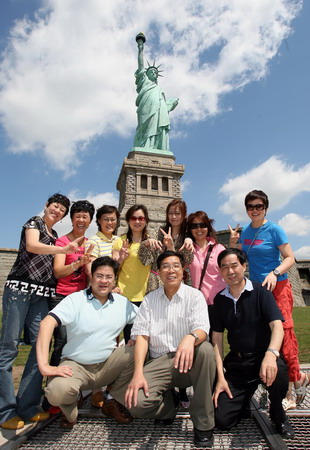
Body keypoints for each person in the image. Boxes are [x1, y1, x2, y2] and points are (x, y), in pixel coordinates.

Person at [109, 251, 216, 448]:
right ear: (158, 272)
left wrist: (189, 338)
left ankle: (203, 424)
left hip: (189, 361)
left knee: (207, 350)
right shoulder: (150, 300)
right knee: (134, 403)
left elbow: (202, 329)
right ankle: (168, 406)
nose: (171, 270)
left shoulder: (195, 296)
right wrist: (138, 373)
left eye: (176, 265)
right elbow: (141, 336)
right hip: (160, 361)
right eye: (165, 266)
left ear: (183, 271)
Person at [0, 193, 81, 430]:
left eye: (62, 210)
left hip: (41, 296)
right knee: (8, 349)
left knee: (40, 349)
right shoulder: (34, 223)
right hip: (19, 290)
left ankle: (29, 407)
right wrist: (64, 250)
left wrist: (75, 262)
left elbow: (57, 267)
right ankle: (5, 412)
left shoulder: (55, 236)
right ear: (46, 206)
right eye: (55, 206)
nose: (58, 211)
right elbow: (33, 246)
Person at [229, 190, 309, 410]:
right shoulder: (245, 231)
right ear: (246, 209)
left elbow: (290, 257)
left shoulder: (274, 229)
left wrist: (274, 272)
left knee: (285, 335)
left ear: (265, 208)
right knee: (263, 337)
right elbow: (241, 258)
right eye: (251, 206)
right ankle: (274, 384)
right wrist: (234, 243)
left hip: (278, 287)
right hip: (257, 290)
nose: (255, 210)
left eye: (259, 206)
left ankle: (293, 388)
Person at [36, 257, 138, 429]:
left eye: (108, 277)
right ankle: (72, 405)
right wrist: (45, 366)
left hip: (107, 366)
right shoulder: (75, 300)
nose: (104, 281)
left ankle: (113, 401)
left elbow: (146, 320)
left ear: (115, 279)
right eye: (99, 276)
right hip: (76, 366)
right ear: (91, 277)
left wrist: (136, 336)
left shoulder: (122, 303)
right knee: (55, 393)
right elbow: (46, 323)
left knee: (140, 349)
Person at [212, 248, 294, 438]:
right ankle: (244, 401)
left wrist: (271, 354)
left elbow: (277, 326)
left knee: (280, 371)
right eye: (225, 267)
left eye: (235, 266)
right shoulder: (220, 300)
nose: (230, 271)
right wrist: (220, 377)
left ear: (244, 266)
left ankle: (278, 415)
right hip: (238, 363)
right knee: (222, 421)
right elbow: (216, 338)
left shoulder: (261, 292)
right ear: (220, 271)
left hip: (263, 358)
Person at [50, 200, 95, 367]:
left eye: (85, 217)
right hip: (62, 297)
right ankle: (52, 385)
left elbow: (92, 274)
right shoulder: (62, 242)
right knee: (61, 342)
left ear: (90, 221)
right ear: (71, 219)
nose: (81, 220)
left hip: (81, 299)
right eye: (78, 216)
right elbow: (58, 271)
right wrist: (77, 264)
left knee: (78, 343)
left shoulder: (91, 243)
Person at [112, 204, 151, 343]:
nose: (137, 221)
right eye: (134, 218)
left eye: (141, 218)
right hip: (125, 296)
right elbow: (113, 269)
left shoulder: (150, 241)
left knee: (145, 337)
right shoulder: (120, 241)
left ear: (145, 220)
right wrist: (122, 257)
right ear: (128, 220)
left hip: (147, 296)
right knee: (129, 337)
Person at [133, 33, 178, 151]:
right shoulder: (144, 82)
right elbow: (141, 65)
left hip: (158, 109)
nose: (153, 73)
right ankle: (146, 145)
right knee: (146, 127)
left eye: (155, 72)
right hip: (146, 108)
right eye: (151, 71)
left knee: (158, 125)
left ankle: (157, 146)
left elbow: (164, 108)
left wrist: (169, 105)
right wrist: (140, 50)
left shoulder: (159, 90)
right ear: (146, 74)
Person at [139, 199, 194, 293]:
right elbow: (145, 261)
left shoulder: (188, 236)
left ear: (184, 215)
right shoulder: (158, 233)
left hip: (179, 284)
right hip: (157, 284)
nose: (173, 217)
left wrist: (172, 248)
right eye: (170, 213)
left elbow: (188, 261)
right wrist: (146, 244)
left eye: (177, 213)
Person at [187, 211, 226, 333]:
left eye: (202, 225)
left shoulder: (219, 248)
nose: (199, 229)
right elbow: (176, 267)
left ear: (208, 227)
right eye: (194, 226)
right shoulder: (188, 249)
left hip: (219, 302)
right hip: (199, 303)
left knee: (217, 337)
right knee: (201, 339)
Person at [85, 205, 120, 279]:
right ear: (99, 220)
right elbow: (90, 270)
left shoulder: (119, 240)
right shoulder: (93, 241)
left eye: (113, 219)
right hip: (102, 288)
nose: (110, 223)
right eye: (106, 219)